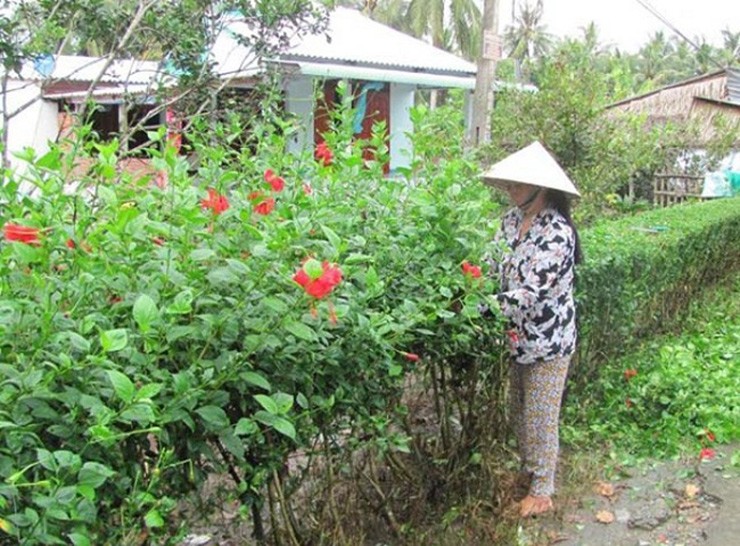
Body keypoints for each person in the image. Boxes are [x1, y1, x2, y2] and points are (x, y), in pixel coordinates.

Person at [481, 141, 582, 518]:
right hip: (515, 339)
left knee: (541, 414)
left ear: (543, 188)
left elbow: (530, 292)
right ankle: (529, 470)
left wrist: (477, 309)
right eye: (509, 183)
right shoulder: (510, 221)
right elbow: (492, 266)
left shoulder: (557, 232)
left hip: (548, 342)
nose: (511, 189)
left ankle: (543, 491)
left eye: (520, 184)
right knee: (518, 412)